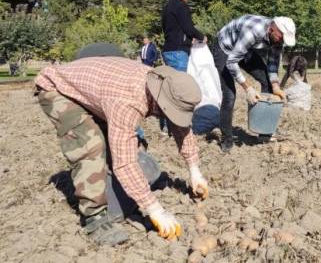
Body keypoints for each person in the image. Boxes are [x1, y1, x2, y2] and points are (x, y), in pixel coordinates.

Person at [35, 58, 209, 245]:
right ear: (160, 102)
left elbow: (181, 127)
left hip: (98, 93)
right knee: (92, 146)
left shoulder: (163, 85)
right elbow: (125, 163)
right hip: (59, 90)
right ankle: (94, 218)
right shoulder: (127, 101)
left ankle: (107, 185)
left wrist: (194, 170)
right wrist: (155, 210)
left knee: (128, 150)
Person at [213, 15, 296, 152]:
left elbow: (273, 64)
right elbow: (232, 62)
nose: (281, 42)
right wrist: (248, 88)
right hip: (225, 49)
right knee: (230, 95)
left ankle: (265, 131)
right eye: (281, 38)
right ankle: (227, 139)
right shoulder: (252, 32)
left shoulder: (277, 40)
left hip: (244, 49)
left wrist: (275, 86)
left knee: (268, 83)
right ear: (272, 29)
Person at [161, 0, 206, 72]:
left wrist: (189, 40)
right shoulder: (181, 5)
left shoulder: (166, 6)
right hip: (178, 52)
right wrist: (202, 37)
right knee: (181, 84)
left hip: (167, 51)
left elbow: (170, 28)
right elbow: (188, 28)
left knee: (172, 83)